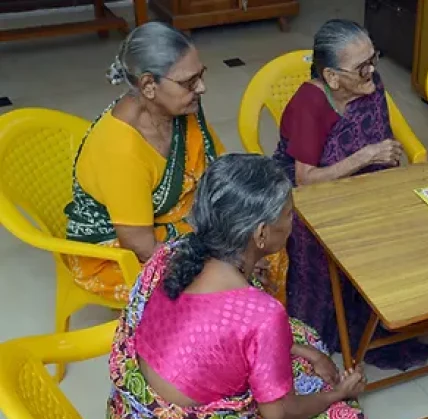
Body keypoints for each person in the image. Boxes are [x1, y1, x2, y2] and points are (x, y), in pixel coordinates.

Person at [107, 154, 388, 419]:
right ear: (261, 235)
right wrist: (337, 395)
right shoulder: (260, 314)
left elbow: (221, 333)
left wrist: (303, 349)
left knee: (302, 333)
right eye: (288, 215)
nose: (293, 222)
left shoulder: (174, 253)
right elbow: (278, 414)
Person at [64, 22, 288, 304]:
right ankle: (246, 340)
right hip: (121, 255)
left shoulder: (180, 107)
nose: (201, 87)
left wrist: (237, 239)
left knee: (268, 243)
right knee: (232, 284)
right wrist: (224, 264)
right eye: (188, 82)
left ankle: (275, 333)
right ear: (148, 85)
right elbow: (141, 245)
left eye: (201, 75)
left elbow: (216, 171)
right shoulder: (120, 148)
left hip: (180, 221)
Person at [276, 19, 428, 370]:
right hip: (312, 202)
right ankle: (330, 333)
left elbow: (382, 139)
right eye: (362, 67)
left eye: (373, 59)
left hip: (365, 189)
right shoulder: (310, 104)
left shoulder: (369, 87)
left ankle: (387, 313)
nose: (373, 71)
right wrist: (367, 156)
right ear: (332, 77)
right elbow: (305, 180)